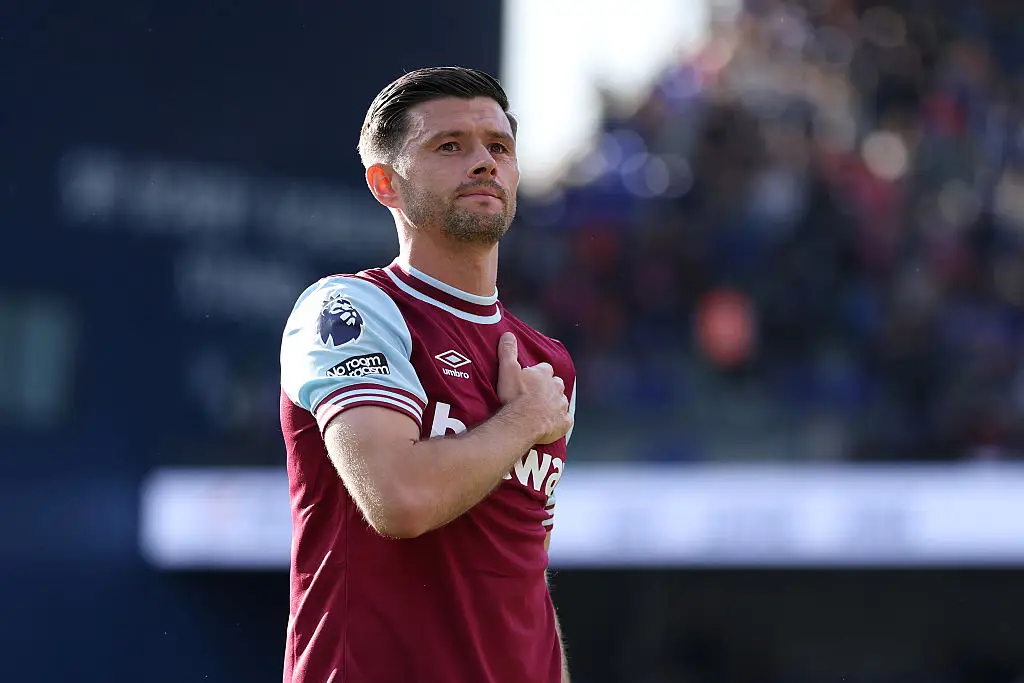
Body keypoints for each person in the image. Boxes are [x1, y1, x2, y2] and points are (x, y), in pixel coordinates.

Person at [279, 66, 577, 683]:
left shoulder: (546, 363)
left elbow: (521, 572)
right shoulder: (351, 310)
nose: (484, 163)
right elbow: (399, 499)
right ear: (385, 183)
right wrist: (521, 422)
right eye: (450, 146)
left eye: (499, 147)